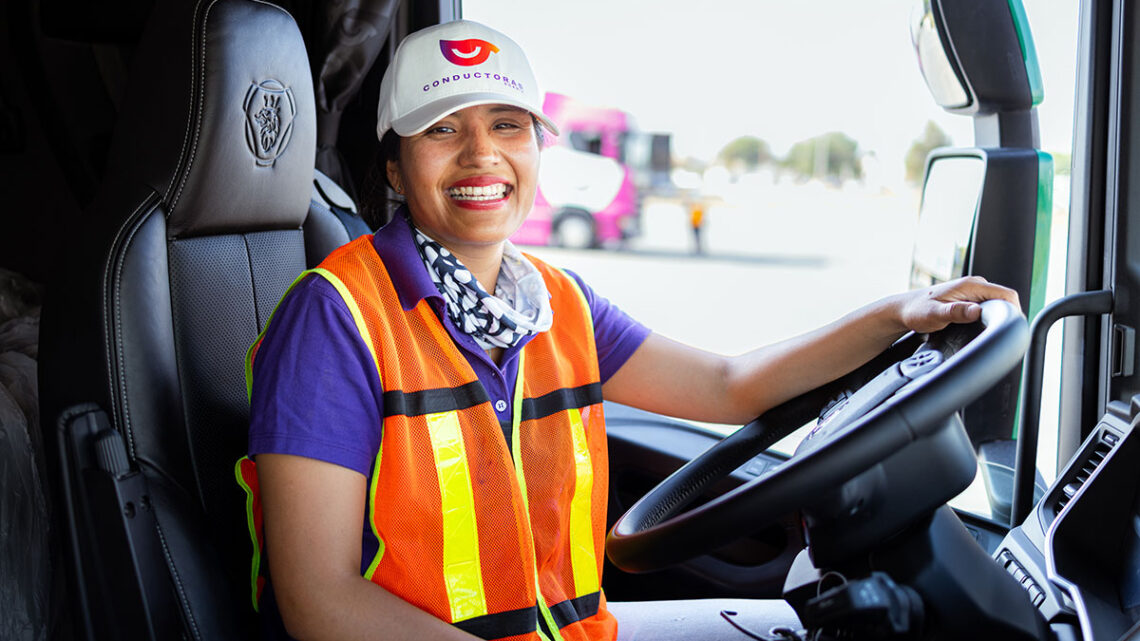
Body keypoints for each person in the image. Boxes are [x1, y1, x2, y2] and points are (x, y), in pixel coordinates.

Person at [240, 19, 1020, 641]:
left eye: (508, 125)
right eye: (443, 129)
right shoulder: (335, 316)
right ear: (392, 167)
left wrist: (894, 314)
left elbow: (727, 385)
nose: (482, 153)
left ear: (537, 150)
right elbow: (321, 601)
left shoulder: (555, 302)